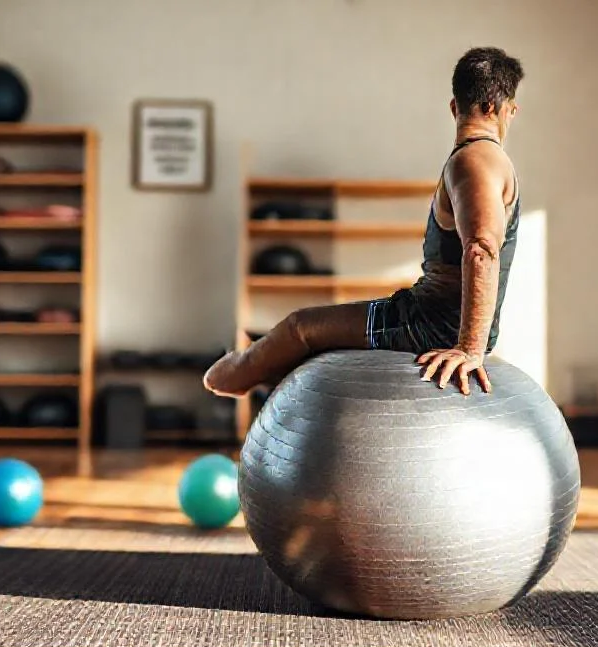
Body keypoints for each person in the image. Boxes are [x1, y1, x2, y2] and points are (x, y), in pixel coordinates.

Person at [205, 46, 524, 397]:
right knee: (304, 333)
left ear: (455, 106)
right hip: (429, 320)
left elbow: (481, 248)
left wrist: (469, 350)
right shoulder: (481, 159)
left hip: (425, 327)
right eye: (512, 111)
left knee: (300, 327)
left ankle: (234, 376)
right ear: (498, 108)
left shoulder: (475, 160)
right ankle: (267, 374)